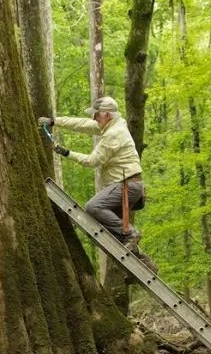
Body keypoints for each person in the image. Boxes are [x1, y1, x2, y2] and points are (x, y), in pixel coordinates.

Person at [40, 97, 155, 270]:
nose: (94, 119)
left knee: (94, 208)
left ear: (107, 114)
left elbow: (92, 161)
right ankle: (144, 263)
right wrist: (55, 122)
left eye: (96, 115)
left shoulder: (114, 134)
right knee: (112, 231)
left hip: (127, 186)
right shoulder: (112, 124)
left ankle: (131, 232)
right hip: (127, 186)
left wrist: (66, 152)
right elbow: (82, 124)